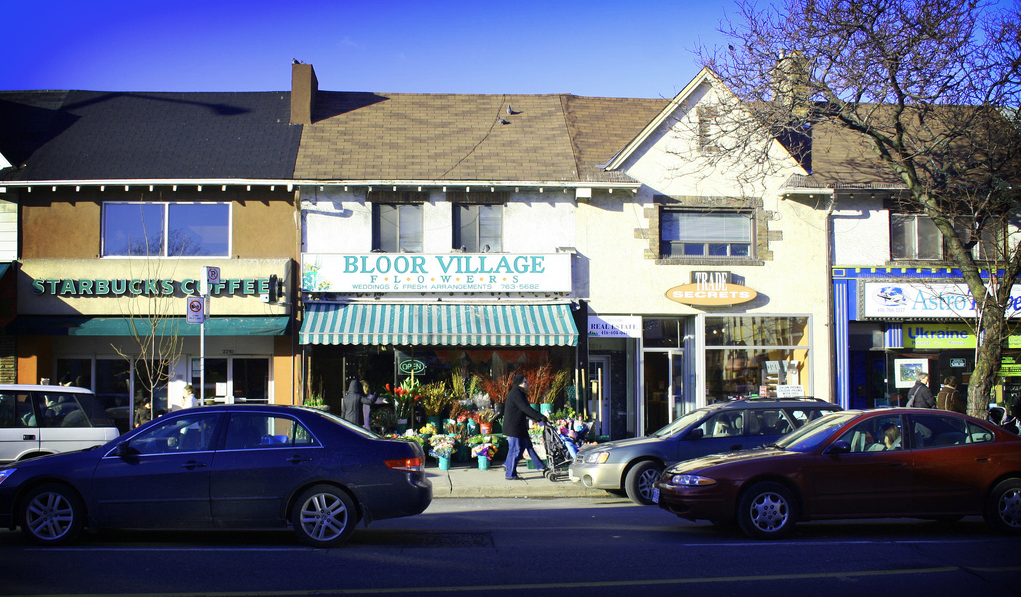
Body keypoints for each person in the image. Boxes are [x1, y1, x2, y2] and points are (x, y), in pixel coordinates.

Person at [502, 373, 547, 480]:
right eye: (525, 381)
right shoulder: (516, 394)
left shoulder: (518, 393)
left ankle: (541, 466)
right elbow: (525, 408)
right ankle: (510, 474)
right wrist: (540, 417)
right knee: (515, 449)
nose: (527, 383)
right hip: (514, 427)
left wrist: (538, 419)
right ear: (521, 383)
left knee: (527, 446)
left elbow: (524, 410)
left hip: (519, 426)